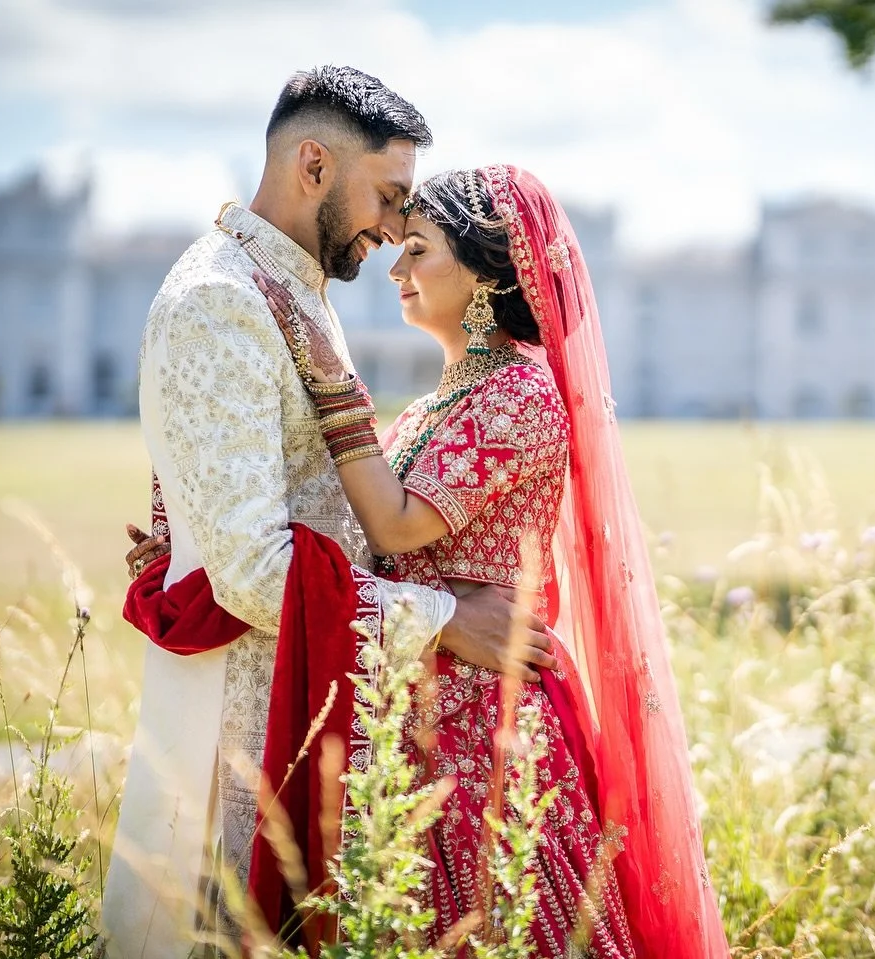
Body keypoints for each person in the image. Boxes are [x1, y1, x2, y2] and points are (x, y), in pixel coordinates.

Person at [126, 165, 730, 958]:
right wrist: (202, 541)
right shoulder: (435, 404)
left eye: (417, 249)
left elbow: (397, 524)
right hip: (421, 701)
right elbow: (356, 531)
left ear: (486, 275)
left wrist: (332, 386)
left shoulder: (519, 393)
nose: (395, 266)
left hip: (485, 725)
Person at [102, 68, 549, 959]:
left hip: (313, 703)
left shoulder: (295, 290)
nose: (393, 232)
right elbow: (257, 571)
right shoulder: (220, 301)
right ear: (313, 163)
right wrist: (446, 619)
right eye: (387, 197)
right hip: (247, 725)